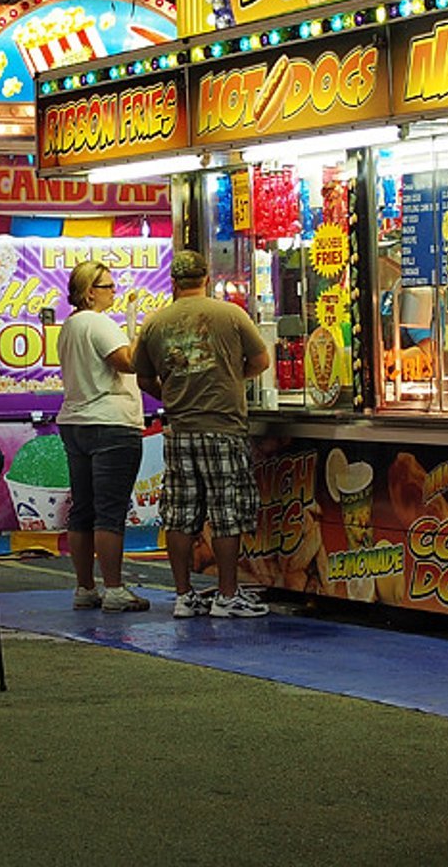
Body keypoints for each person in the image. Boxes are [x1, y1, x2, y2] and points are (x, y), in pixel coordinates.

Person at [132, 248, 271, 620]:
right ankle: (227, 596)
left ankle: (183, 596)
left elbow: (143, 376)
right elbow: (261, 361)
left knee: (180, 514)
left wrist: (173, 392)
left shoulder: (155, 323)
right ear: (206, 279)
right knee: (227, 514)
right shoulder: (231, 314)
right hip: (223, 428)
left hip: (180, 431)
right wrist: (230, 380)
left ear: (174, 283)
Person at [59, 259, 149, 612]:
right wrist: (143, 334)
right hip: (111, 421)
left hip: (76, 420)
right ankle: (114, 587)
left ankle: (85, 587)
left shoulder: (70, 326)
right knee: (109, 511)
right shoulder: (98, 323)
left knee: (82, 509)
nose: (114, 291)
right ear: (88, 291)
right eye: (108, 286)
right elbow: (128, 361)